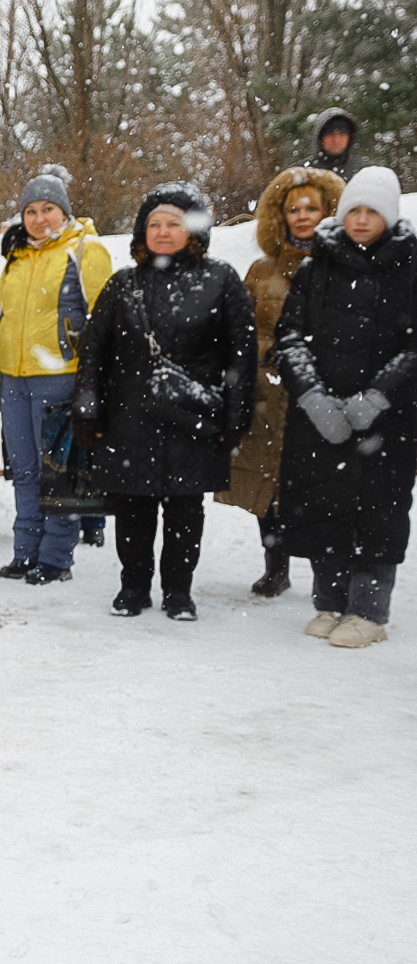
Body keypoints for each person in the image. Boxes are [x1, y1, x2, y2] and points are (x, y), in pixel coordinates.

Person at [72, 184, 256, 620]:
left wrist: (236, 417)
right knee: (132, 507)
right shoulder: (123, 284)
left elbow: (241, 356)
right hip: (129, 419)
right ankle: (133, 587)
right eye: (154, 224)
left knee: (185, 510)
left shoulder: (221, 280)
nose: (163, 231)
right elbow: (93, 352)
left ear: (193, 230)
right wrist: (87, 409)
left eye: (173, 223)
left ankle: (178, 591)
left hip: (192, 419)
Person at [274, 166, 417, 648]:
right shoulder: (316, 265)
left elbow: (413, 347)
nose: (361, 219)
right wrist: (313, 397)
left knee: (379, 511)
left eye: (372, 211)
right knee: (325, 505)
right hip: (322, 417)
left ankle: (368, 612)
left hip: (388, 421)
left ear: (389, 217)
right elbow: (290, 338)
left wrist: (377, 397)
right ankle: (330, 602)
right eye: (354, 209)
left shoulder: (410, 267)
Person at [0, 164, 114, 583]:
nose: (39, 218)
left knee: (59, 473)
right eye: (30, 211)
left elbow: (105, 321)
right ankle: (25, 552)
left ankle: (55, 559)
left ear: (64, 211)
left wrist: (96, 382)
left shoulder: (85, 250)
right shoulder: (16, 258)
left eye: (48, 209)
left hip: (60, 378)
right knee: (25, 471)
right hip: (13, 382)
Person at [217, 167, 346, 596]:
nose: (303, 216)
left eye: (312, 208)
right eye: (294, 209)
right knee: (267, 481)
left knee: (320, 482)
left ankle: (328, 571)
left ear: (329, 211)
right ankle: (276, 566)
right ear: (280, 215)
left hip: (320, 393)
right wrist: (264, 352)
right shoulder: (261, 269)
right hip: (268, 392)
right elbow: (238, 331)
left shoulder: (343, 266)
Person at [302, 108, 360, 178]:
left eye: (342, 134)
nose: (336, 140)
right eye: (330, 134)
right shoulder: (301, 173)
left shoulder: (364, 172)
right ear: (320, 138)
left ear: (350, 137)